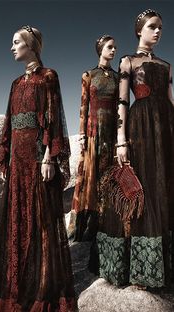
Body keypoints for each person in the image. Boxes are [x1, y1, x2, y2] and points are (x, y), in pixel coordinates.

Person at [0, 25, 77, 311]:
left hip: (36, 158)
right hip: (17, 163)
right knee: (17, 222)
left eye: (16, 42)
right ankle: (17, 282)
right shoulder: (15, 83)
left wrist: (48, 157)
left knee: (40, 220)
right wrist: (3, 155)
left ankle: (42, 285)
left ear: (31, 45)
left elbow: (52, 117)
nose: (11, 47)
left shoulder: (48, 77)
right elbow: (9, 121)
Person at [114, 9, 174, 289]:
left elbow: (171, 101)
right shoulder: (128, 61)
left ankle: (167, 266)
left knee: (166, 187)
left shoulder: (166, 65)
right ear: (140, 30)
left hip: (166, 127)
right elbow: (122, 102)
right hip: (141, 127)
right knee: (146, 188)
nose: (158, 31)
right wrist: (121, 140)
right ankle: (144, 270)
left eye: (160, 27)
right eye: (152, 26)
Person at [71, 35, 118, 241]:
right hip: (93, 133)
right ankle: (86, 224)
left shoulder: (118, 77)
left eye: (115, 47)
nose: (114, 50)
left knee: (109, 176)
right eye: (110, 47)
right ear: (100, 49)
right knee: (90, 176)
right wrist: (81, 133)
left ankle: (106, 221)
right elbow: (83, 106)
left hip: (112, 133)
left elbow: (119, 107)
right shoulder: (89, 75)